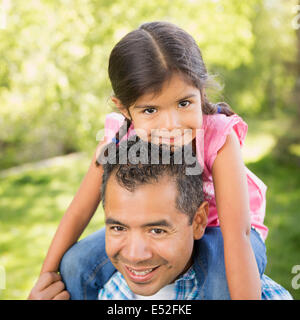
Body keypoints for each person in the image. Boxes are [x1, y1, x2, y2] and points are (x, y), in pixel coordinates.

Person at [35, 21, 272, 299]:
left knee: (220, 279)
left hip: (220, 228)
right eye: (150, 109)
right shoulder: (118, 136)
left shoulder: (218, 138)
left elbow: (239, 235)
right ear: (124, 109)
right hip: (160, 225)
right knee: (76, 265)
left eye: (184, 103)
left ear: (201, 91)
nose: (171, 124)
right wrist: (46, 277)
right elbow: (79, 211)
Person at [28, 139, 293, 300]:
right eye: (118, 227)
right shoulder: (105, 288)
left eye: (156, 230)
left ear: (199, 221)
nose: (135, 255)